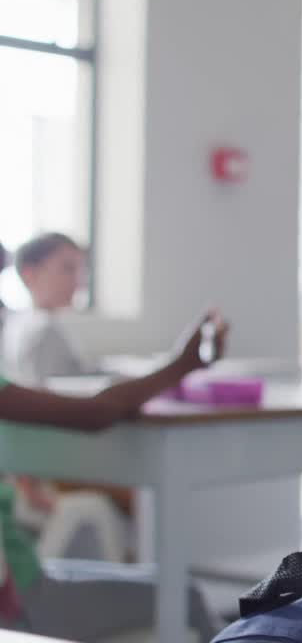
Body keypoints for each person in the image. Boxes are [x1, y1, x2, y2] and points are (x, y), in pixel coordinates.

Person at [0, 311, 226, 639]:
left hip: (25, 574)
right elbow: (96, 413)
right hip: (19, 602)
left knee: (159, 583)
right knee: (186, 598)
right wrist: (183, 364)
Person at [3, 233, 90, 386]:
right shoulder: (43, 331)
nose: (78, 283)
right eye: (68, 269)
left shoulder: (15, 322)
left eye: (80, 270)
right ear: (29, 275)